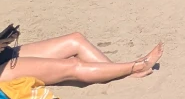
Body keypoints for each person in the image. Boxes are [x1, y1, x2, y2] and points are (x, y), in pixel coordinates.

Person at [0, 28, 161, 86]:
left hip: (3, 53)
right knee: (73, 65)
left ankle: (117, 72)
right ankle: (136, 66)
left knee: (75, 40)